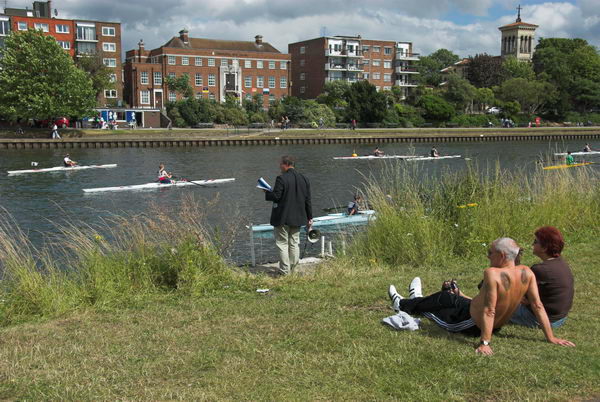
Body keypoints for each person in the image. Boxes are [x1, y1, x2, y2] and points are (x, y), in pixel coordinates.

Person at [387, 237, 575, 355]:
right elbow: (538, 306)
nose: (488, 256)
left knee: (434, 312)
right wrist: (550, 337)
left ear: (502, 255)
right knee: (448, 297)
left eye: (490, 253)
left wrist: (485, 342)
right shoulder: (526, 272)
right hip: (471, 312)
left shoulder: (492, 273)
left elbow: (489, 309)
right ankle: (415, 299)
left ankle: (401, 304)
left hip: (469, 323)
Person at [511, 227, 574, 329]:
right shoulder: (561, 263)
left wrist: (512, 264)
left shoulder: (541, 270)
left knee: (497, 304)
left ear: (544, 248)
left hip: (543, 319)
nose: (532, 244)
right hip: (560, 317)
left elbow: (521, 297)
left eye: (535, 242)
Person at [264, 156, 313, 275]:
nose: (279, 166)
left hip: (283, 217)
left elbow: (276, 196)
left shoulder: (281, 178)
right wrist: (309, 217)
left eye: (280, 164)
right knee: (294, 243)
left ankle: (285, 271)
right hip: (298, 217)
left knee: (282, 243)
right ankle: (294, 269)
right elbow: (308, 200)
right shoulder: (304, 179)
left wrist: (267, 192)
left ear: (285, 164)